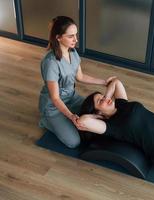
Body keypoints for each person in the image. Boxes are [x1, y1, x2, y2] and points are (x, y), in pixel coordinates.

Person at [38, 16, 115, 148]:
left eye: (76, 35)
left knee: (97, 115)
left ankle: (67, 119)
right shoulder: (50, 63)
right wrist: (71, 116)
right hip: (53, 107)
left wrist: (104, 82)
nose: (76, 39)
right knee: (74, 142)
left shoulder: (72, 52)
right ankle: (45, 121)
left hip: (72, 98)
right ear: (58, 37)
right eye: (71, 36)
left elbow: (80, 77)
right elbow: (55, 98)